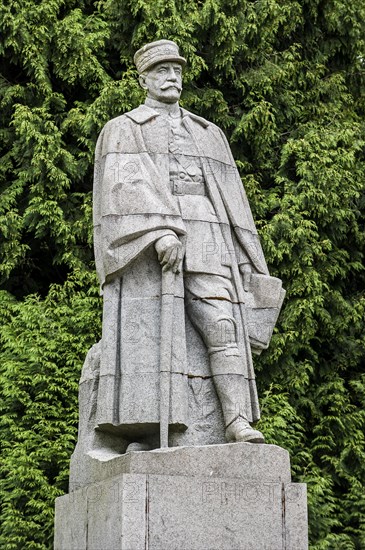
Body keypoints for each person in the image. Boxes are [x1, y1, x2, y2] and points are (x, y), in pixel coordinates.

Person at [92, 40, 285, 451]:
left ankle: (236, 420)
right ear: (143, 78)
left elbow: (233, 202)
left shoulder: (207, 132)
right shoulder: (125, 127)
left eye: (177, 70)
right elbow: (123, 187)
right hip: (150, 248)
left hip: (208, 235)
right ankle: (150, 429)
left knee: (222, 325)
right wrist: (159, 230)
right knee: (153, 337)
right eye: (161, 71)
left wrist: (247, 262)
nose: (171, 77)